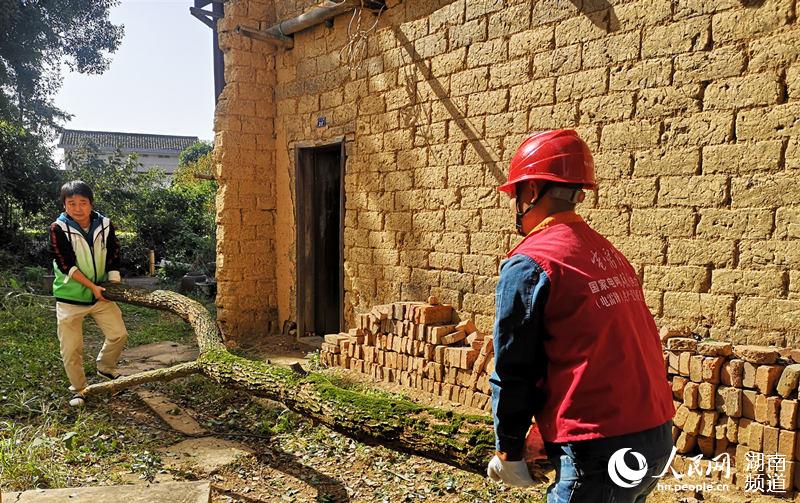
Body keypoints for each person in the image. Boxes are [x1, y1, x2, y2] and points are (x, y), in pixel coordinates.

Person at [486, 130, 675, 502]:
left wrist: (508, 448)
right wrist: (546, 430)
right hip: (655, 435)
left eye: (517, 194)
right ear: (578, 193)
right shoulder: (605, 252)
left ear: (531, 191)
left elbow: (514, 369)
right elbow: (595, 353)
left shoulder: (531, 263)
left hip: (599, 449)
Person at [49, 180, 127, 407]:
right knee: (72, 348)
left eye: (83, 202)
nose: (78, 208)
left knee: (118, 334)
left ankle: (105, 368)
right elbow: (66, 264)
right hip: (70, 298)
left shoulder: (105, 224)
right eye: (71, 203)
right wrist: (92, 286)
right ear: (65, 206)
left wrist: (112, 284)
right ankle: (79, 389)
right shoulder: (58, 228)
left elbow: (114, 253)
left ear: (91, 204)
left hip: (101, 295)